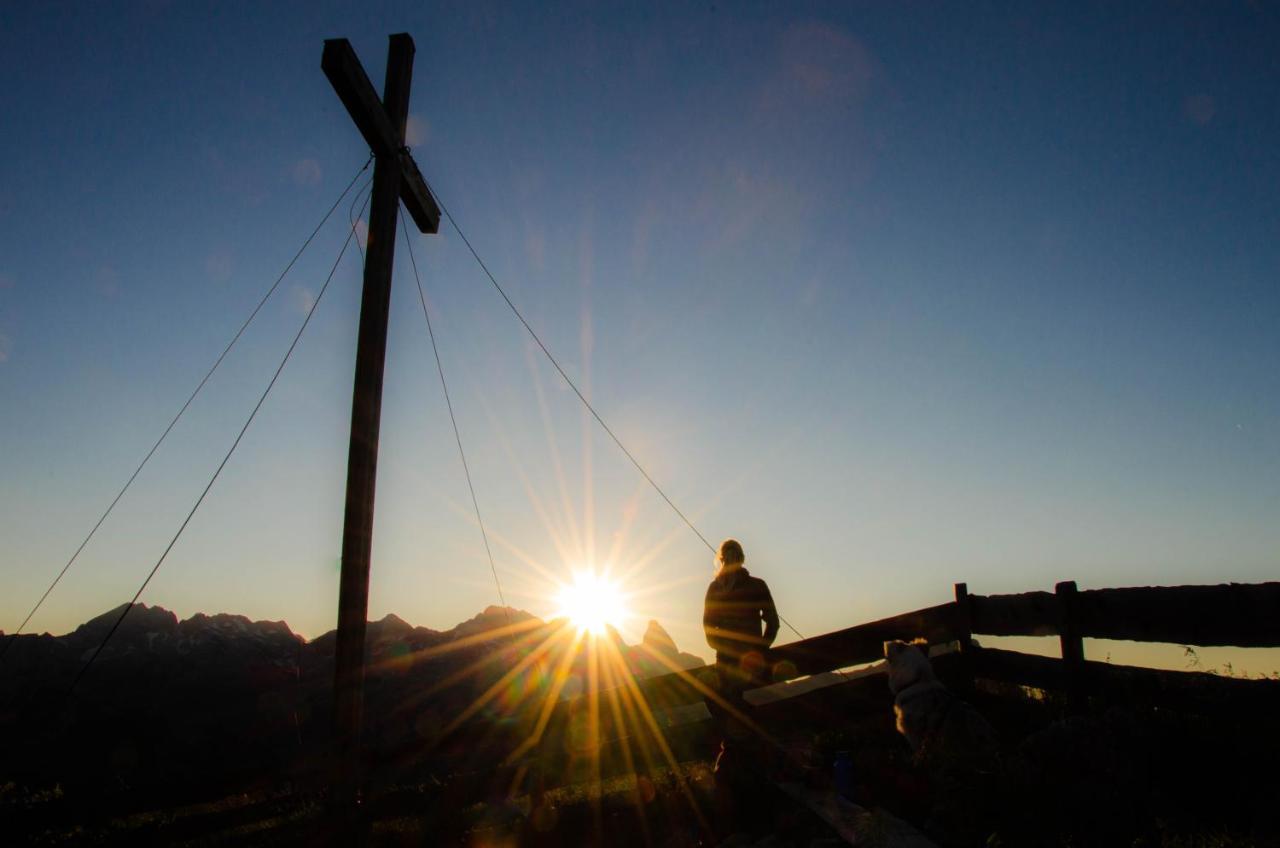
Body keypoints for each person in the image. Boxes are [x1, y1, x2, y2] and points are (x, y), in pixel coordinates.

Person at [702, 538, 779, 835]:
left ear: (740, 558)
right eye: (728, 555)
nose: (732, 559)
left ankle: (755, 805)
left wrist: (758, 651)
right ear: (723, 559)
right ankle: (745, 807)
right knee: (738, 730)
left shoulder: (755, 586)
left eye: (735, 555)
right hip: (732, 668)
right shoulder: (718, 590)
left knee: (751, 728)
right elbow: (709, 630)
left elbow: (771, 622)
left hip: (748, 669)